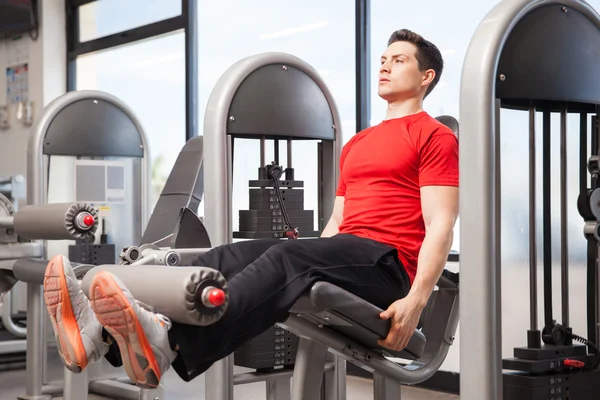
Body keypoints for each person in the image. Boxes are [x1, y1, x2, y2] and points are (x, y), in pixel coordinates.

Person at [42, 28, 459, 388]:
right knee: (228, 256)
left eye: (399, 60)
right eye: (383, 59)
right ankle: (104, 339)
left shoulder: (435, 137)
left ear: (426, 76)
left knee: (288, 258)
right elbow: (337, 222)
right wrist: (316, 253)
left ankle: (171, 344)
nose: (384, 66)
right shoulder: (358, 143)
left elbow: (441, 224)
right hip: (349, 253)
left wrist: (417, 300)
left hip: (389, 268)